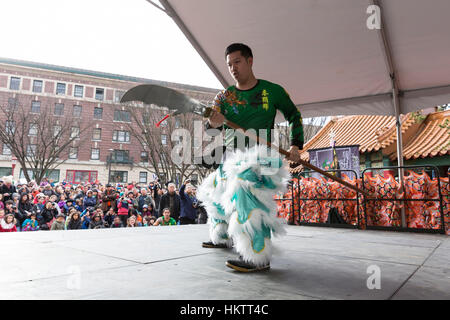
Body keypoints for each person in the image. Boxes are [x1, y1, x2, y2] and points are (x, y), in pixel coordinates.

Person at [197, 43, 304, 272]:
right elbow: (212, 130)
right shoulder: (224, 96)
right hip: (229, 156)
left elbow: (294, 115)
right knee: (215, 193)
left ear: (249, 61)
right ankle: (222, 237)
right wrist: (212, 123)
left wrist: (296, 145)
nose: (233, 68)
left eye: (237, 62)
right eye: (229, 65)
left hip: (259, 157)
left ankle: (258, 257)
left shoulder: (272, 91)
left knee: (249, 202)